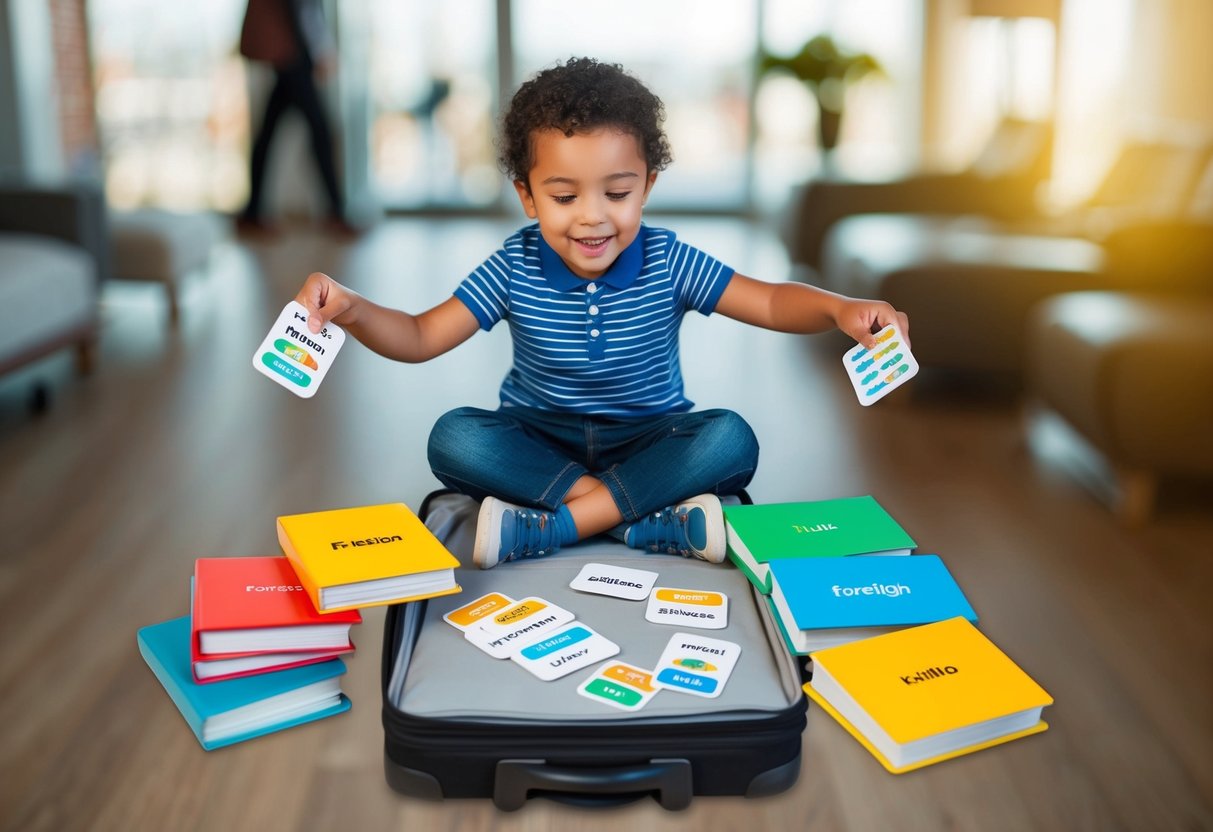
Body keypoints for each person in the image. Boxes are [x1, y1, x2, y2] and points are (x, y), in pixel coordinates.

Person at [293, 57, 909, 569]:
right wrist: (350, 308)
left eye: (617, 193)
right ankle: (632, 520)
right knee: (453, 436)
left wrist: (838, 307)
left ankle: (558, 527)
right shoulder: (515, 264)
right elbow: (422, 334)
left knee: (730, 439)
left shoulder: (669, 260)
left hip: (649, 440)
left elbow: (771, 299)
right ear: (527, 196)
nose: (593, 216)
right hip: (540, 439)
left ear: (648, 185)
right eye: (564, 196)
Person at [236, 0, 356, 236]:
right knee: (320, 132)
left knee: (270, 135)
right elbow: (305, 11)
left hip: (290, 54)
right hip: (293, 56)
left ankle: (251, 214)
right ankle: (336, 214)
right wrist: (322, 51)